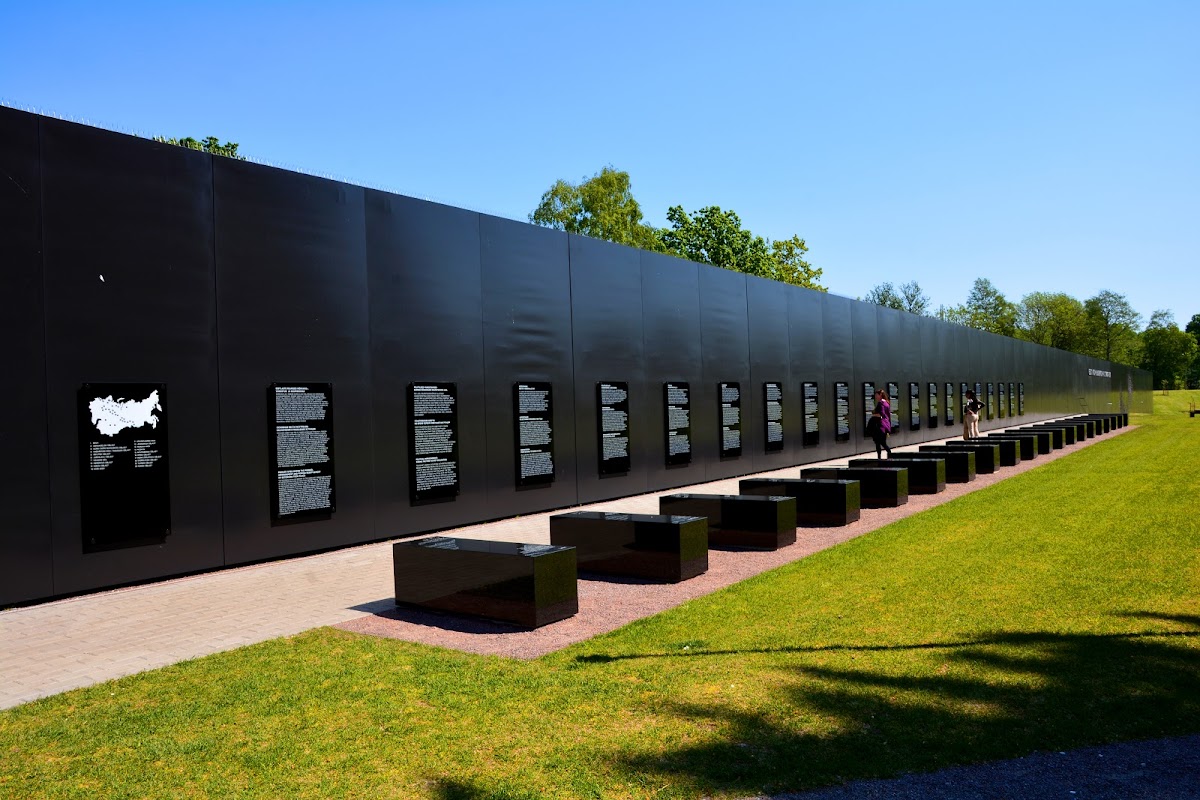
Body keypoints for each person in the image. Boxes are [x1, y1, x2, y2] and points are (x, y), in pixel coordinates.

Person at [868, 388, 893, 458]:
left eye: (876, 395)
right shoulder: (886, 403)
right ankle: (889, 455)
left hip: (880, 426)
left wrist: (873, 414)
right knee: (882, 442)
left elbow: (881, 414)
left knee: (879, 442)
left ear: (880, 395)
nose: (875, 396)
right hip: (886, 425)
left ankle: (881, 457)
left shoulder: (881, 403)